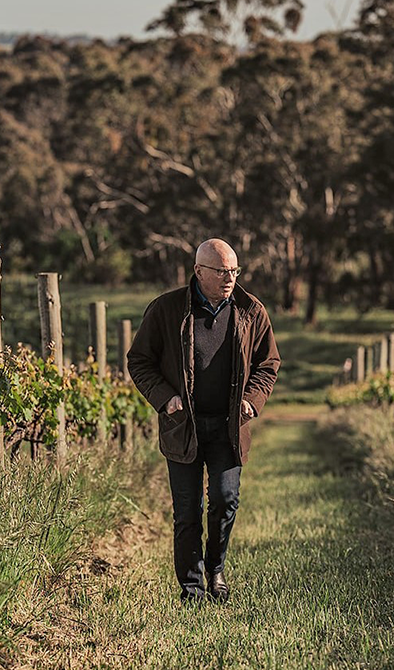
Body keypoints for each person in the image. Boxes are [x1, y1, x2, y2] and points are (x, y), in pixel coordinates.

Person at [126, 238, 281, 603]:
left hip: (229, 428)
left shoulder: (251, 310)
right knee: (187, 512)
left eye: (234, 271)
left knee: (225, 500)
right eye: (222, 271)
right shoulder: (166, 309)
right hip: (184, 426)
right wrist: (165, 399)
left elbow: (268, 364)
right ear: (199, 271)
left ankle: (215, 569)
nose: (230, 278)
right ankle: (192, 589)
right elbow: (139, 361)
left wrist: (251, 400)